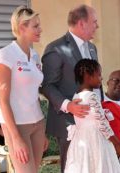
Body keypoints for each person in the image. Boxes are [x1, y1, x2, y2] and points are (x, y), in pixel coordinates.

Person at [41, 4, 103, 172]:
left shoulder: (92, 48)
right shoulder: (55, 48)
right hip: (69, 123)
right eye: (94, 22)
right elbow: (47, 85)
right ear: (82, 23)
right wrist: (69, 106)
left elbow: (96, 83)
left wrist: (102, 108)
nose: (97, 26)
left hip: (95, 122)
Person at [0, 6, 48, 173]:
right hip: (16, 125)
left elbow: (33, 93)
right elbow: (2, 100)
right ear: (22, 27)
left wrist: (43, 130)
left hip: (37, 122)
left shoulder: (34, 55)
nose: (40, 30)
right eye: (35, 26)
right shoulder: (6, 54)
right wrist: (16, 138)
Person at [64, 59, 120, 173]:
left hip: (80, 140)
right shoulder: (92, 96)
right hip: (95, 141)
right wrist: (117, 143)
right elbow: (102, 124)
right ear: (88, 76)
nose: (101, 78)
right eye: (99, 75)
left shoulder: (76, 96)